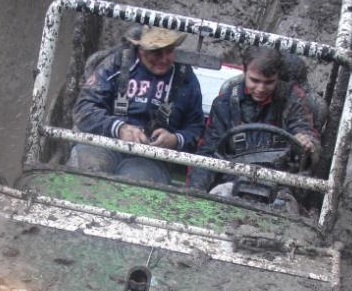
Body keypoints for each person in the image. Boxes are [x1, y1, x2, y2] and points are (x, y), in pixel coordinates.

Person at [188, 46, 321, 210]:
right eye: (255, 81)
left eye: (269, 82)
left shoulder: (293, 100)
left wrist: (306, 141)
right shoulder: (225, 103)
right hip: (231, 181)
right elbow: (208, 151)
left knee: (288, 210)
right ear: (244, 71)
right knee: (214, 201)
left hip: (280, 186)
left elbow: (304, 131)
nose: (261, 88)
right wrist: (194, 193)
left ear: (278, 77)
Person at [69, 26, 205, 185]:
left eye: (169, 51)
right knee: (87, 167)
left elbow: (196, 129)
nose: (164, 59)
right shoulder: (117, 64)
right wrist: (119, 128)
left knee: (134, 184)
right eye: (156, 52)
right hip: (105, 144)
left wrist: (175, 139)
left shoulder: (185, 78)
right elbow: (83, 108)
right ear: (141, 49)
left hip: (151, 160)